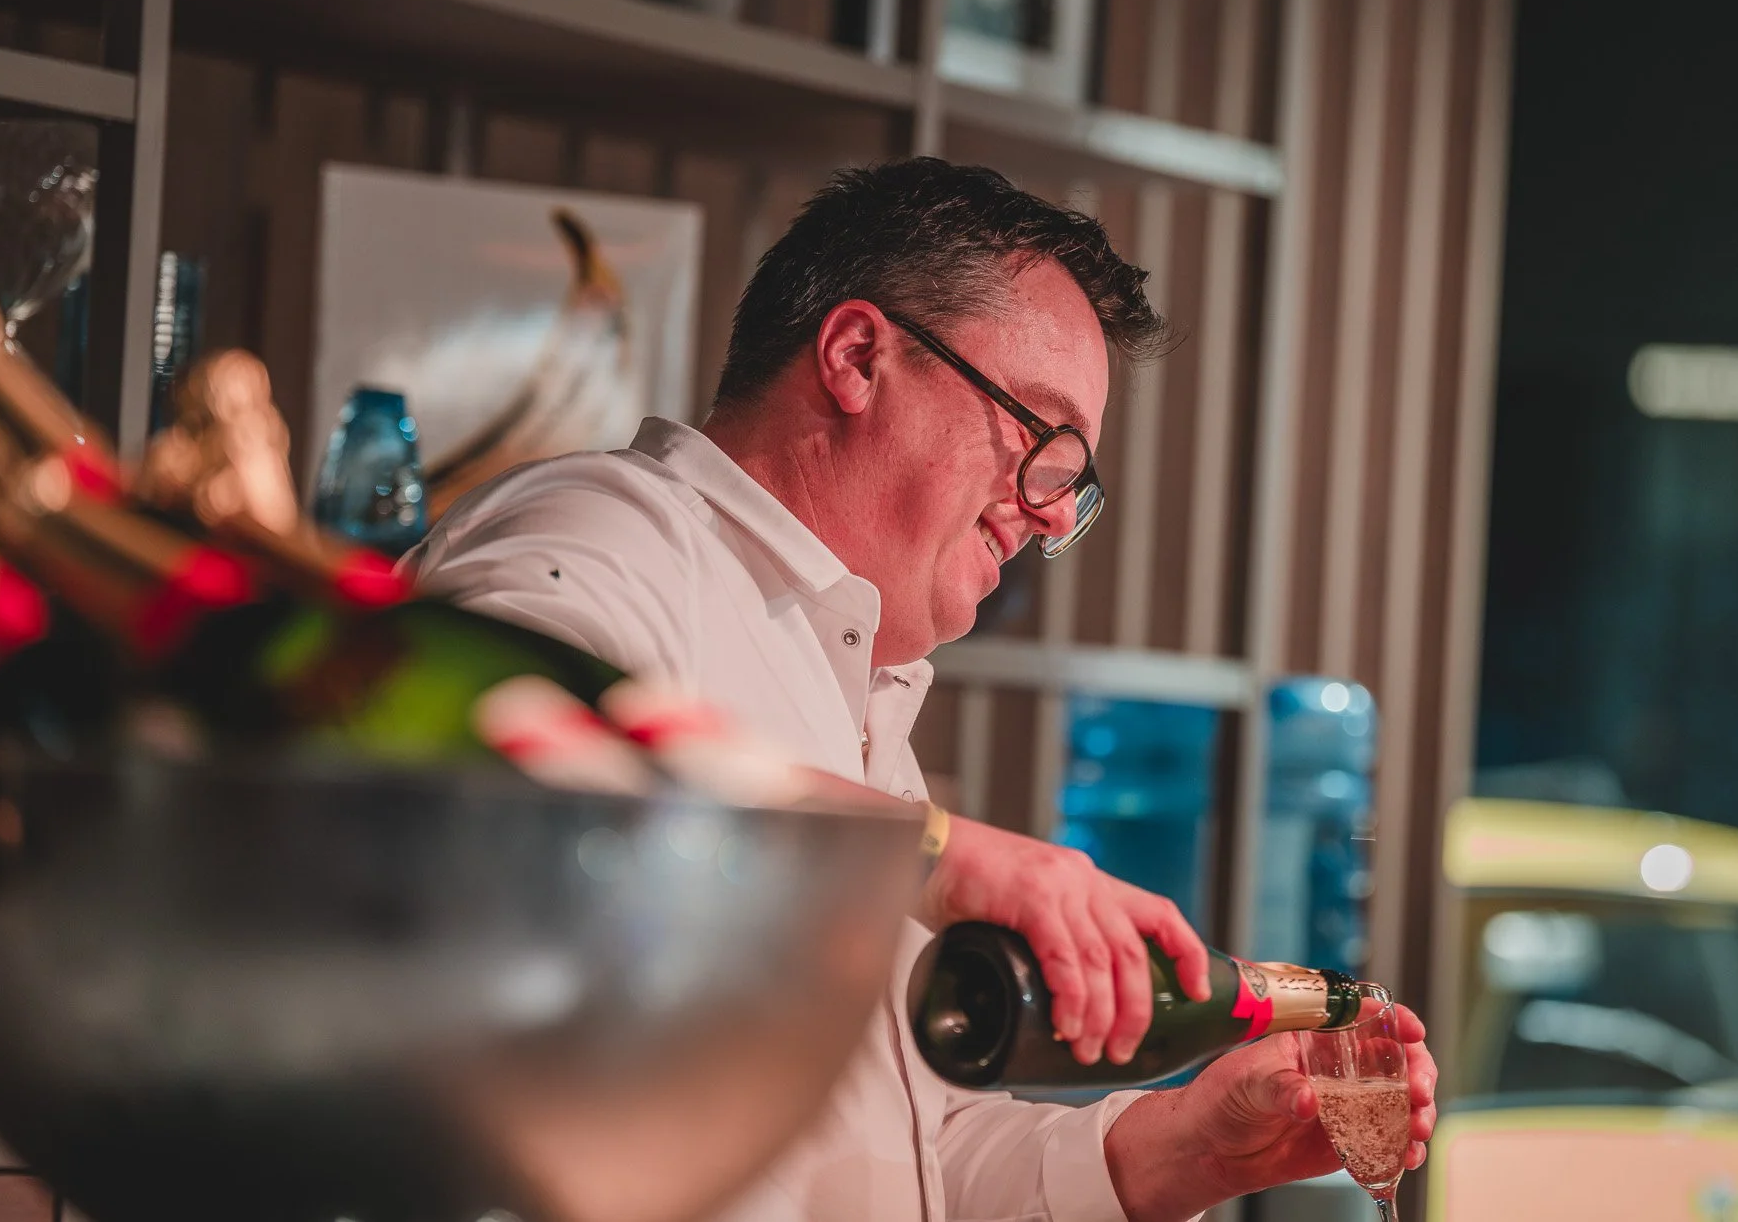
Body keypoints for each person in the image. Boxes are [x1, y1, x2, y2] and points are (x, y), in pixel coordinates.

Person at [403, 158, 1438, 1222]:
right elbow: (489, 767)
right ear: (858, 357)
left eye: (1071, 485)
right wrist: (939, 852)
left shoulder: (854, 690)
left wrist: (1190, 1146)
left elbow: (905, 1156)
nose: (1046, 514)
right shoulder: (610, 530)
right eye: (1043, 439)